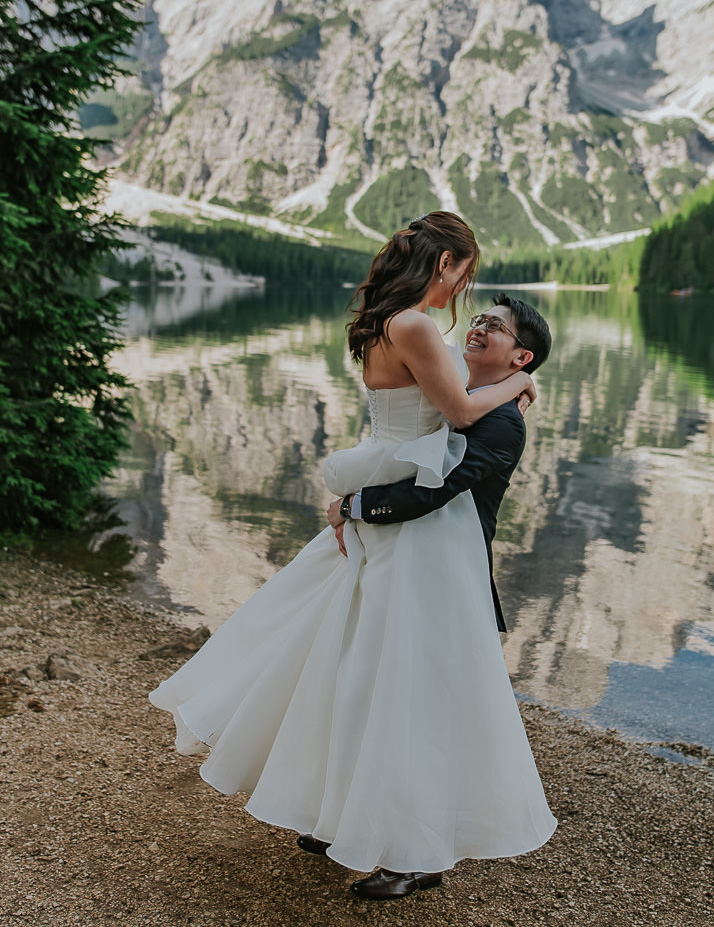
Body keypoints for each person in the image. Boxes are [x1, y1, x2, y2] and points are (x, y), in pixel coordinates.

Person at [149, 212, 556, 902]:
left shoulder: (386, 321)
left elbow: (447, 428)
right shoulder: (421, 328)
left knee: (385, 679)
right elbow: (457, 414)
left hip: (417, 534)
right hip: (400, 528)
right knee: (368, 676)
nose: (470, 297)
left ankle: (411, 844)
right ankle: (351, 819)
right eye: (466, 274)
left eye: (492, 317)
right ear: (444, 266)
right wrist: (514, 384)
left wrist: (357, 503)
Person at [327, 293, 552, 637]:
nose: (477, 329)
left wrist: (351, 506)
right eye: (479, 320)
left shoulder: (503, 423)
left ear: (522, 356)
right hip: (403, 547)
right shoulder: (452, 392)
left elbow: (435, 489)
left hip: (445, 564)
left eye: (495, 326)